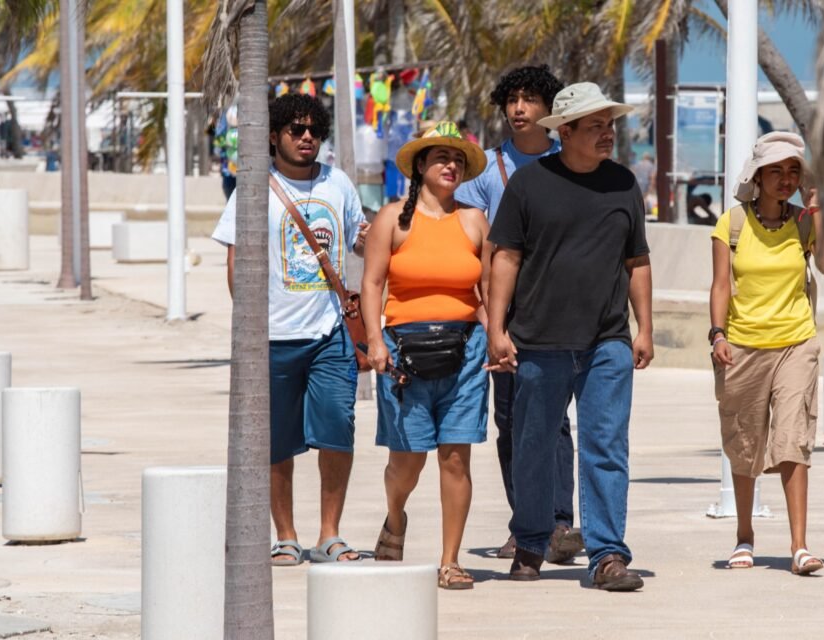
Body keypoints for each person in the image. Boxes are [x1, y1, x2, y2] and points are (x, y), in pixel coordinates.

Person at [487, 82, 654, 592]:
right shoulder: (528, 185)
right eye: (596, 126)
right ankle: (532, 543)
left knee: (605, 444)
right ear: (565, 131)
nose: (607, 134)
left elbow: (637, 261)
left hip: (608, 341)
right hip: (539, 340)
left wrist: (644, 327)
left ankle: (607, 555)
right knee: (533, 444)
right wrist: (496, 328)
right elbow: (506, 258)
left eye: (610, 124)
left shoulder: (624, 183)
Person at [211, 94, 370, 566]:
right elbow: (236, 259)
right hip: (273, 338)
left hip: (331, 336)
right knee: (277, 441)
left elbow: (361, 239)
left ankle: (330, 533)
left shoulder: (337, 183)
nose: (306, 138)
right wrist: (250, 328)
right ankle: (285, 535)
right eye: (296, 130)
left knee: (338, 430)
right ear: (275, 136)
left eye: (314, 131)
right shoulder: (255, 187)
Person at [453, 64, 585, 564]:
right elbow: (473, 250)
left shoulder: (569, 160)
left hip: (562, 312)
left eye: (530, 99)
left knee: (557, 425)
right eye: (511, 100)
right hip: (505, 315)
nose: (518, 109)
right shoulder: (484, 170)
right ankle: (524, 524)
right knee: (511, 423)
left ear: (551, 110)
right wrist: (490, 320)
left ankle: (559, 524)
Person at [361, 122, 490, 590]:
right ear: (420, 165)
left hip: (465, 348)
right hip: (402, 351)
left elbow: (487, 290)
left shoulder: (475, 220)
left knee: (456, 457)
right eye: (440, 157)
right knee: (408, 459)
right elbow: (372, 283)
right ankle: (395, 517)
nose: (450, 165)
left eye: (457, 158)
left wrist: (496, 336)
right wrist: (375, 340)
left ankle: (450, 559)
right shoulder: (392, 220)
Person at [708, 131, 824, 576]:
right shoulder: (732, 224)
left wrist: (817, 207)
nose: (786, 179)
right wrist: (717, 335)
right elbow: (721, 286)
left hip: (796, 342)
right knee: (744, 446)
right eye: (776, 171)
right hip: (741, 346)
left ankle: (799, 545)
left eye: (793, 171)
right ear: (758, 176)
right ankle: (744, 535)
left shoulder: (804, 220)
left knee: (792, 440)